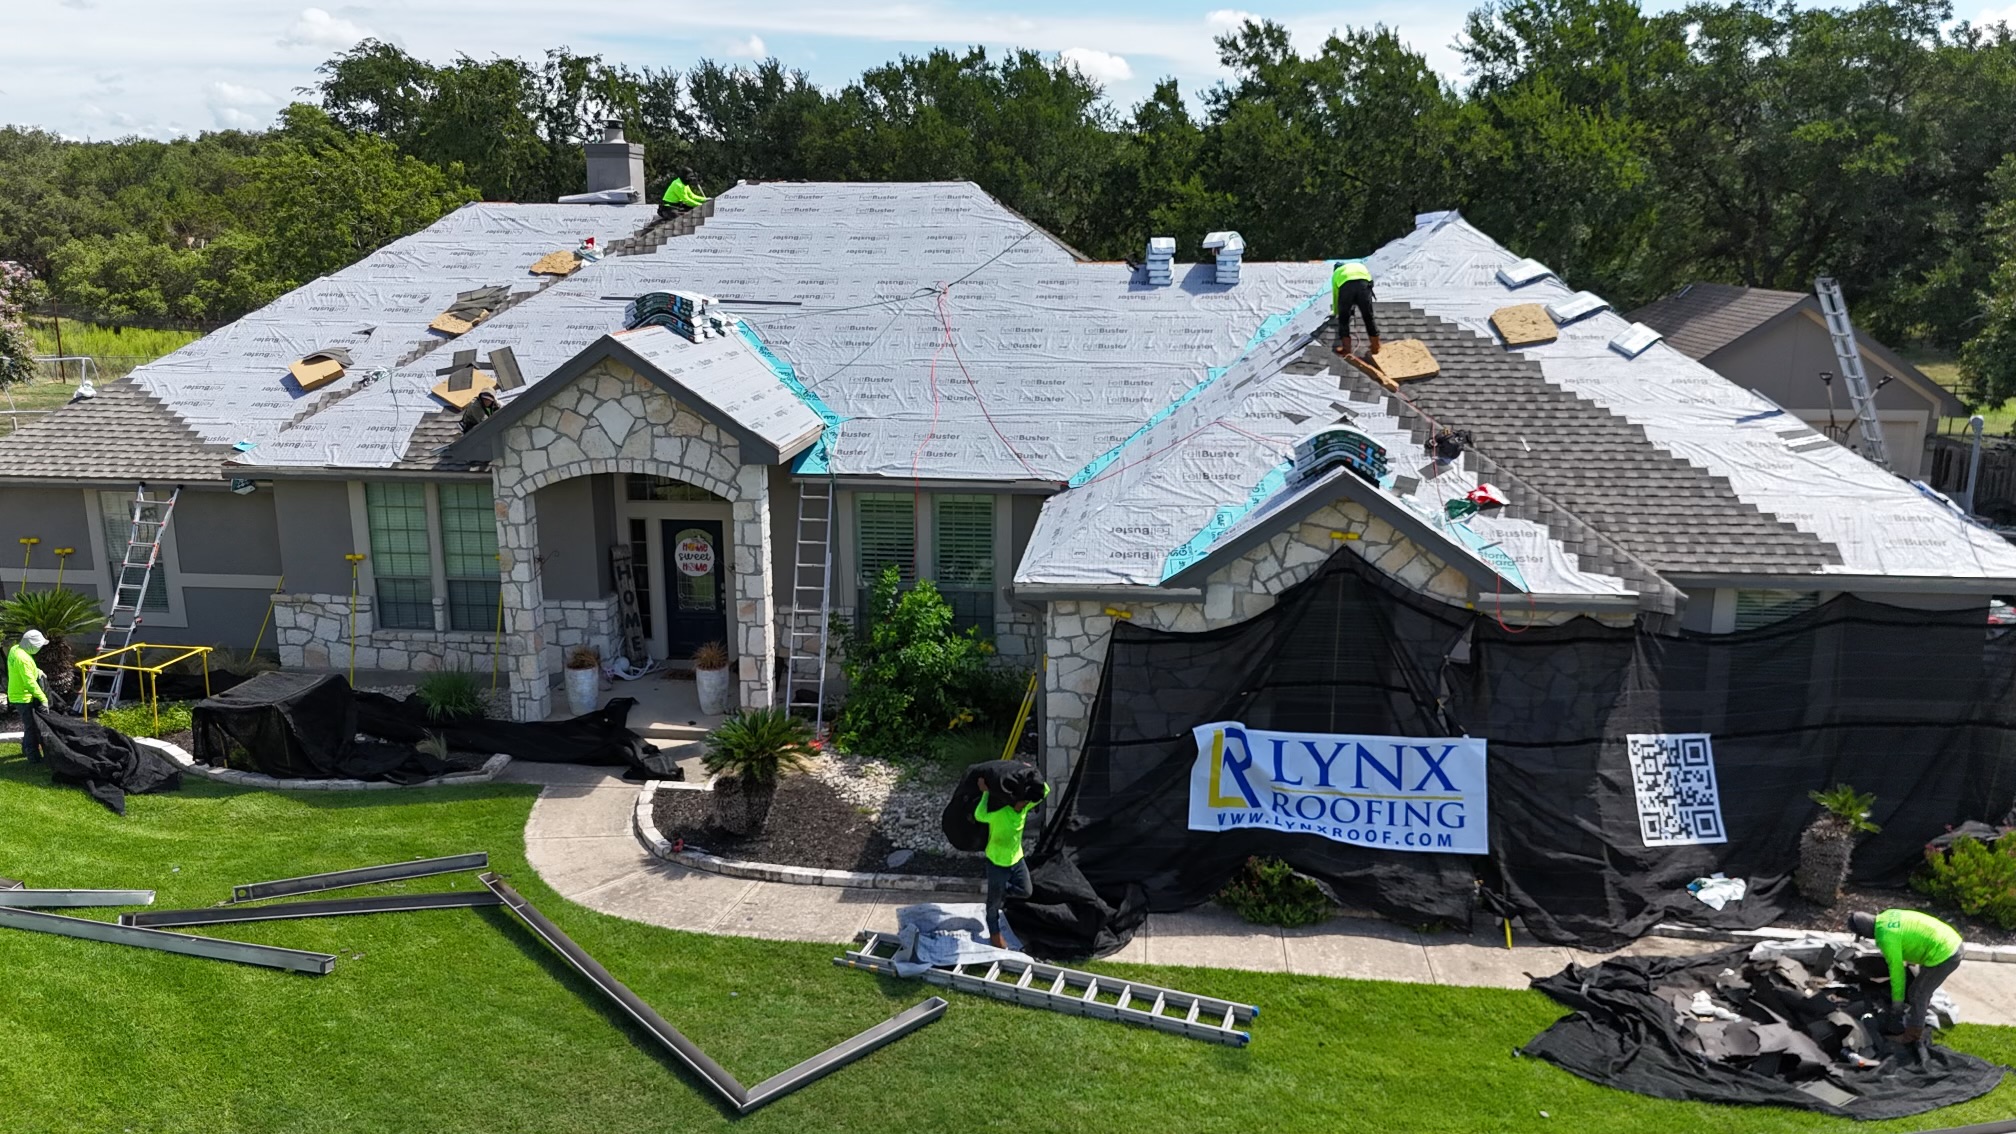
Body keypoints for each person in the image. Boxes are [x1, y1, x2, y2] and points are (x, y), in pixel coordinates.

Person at [1849, 908, 1965, 1044]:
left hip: (1946, 954)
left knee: (1918, 993)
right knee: (1922, 988)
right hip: (1947, 940)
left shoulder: (1886, 938)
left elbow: (1897, 974)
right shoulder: (1886, 916)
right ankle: (1918, 1015)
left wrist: (1897, 1006)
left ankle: (1912, 1035)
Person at [975, 770, 1049, 949]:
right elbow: (979, 815)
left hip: (1016, 859)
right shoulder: (1000, 814)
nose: (1025, 805)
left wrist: (1030, 772)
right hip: (997, 862)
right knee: (993, 905)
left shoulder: (1024, 808)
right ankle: (995, 936)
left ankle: (1004, 890)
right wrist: (985, 792)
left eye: (1026, 802)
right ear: (1013, 801)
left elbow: (1044, 791)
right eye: (1022, 802)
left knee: (1026, 891)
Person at [6, 629, 50, 764]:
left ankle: (26, 749)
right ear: (32, 645)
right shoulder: (23, 658)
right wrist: (43, 698)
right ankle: (34, 757)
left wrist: (37, 671)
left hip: (16, 694)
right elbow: (29, 682)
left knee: (29, 725)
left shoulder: (15, 649)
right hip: (23, 697)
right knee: (32, 727)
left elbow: (23, 671)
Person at [1332, 259, 1381, 359]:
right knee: (1368, 316)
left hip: (1346, 287)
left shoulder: (1336, 273)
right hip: (1364, 284)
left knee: (1344, 318)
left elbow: (1336, 296)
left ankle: (1347, 350)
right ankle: (1376, 346)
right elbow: (1370, 282)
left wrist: (1337, 312)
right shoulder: (1359, 266)